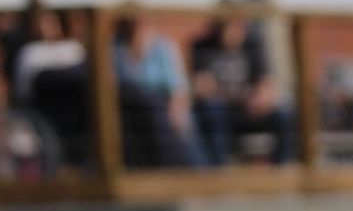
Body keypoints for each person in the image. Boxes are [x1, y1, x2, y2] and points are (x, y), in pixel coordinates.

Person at [189, 16, 294, 165]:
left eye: (242, 25)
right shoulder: (202, 46)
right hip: (222, 113)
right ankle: (218, 174)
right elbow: (203, 88)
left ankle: (280, 170)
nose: (239, 30)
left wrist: (259, 99)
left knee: (284, 113)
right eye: (234, 25)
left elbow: (266, 84)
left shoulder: (253, 44)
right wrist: (242, 96)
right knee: (211, 109)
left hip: (249, 111)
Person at [113, 15, 206, 168]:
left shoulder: (163, 47)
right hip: (132, 111)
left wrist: (176, 111)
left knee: (180, 125)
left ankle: (198, 172)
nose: (139, 26)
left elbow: (178, 89)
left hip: (163, 108)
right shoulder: (116, 50)